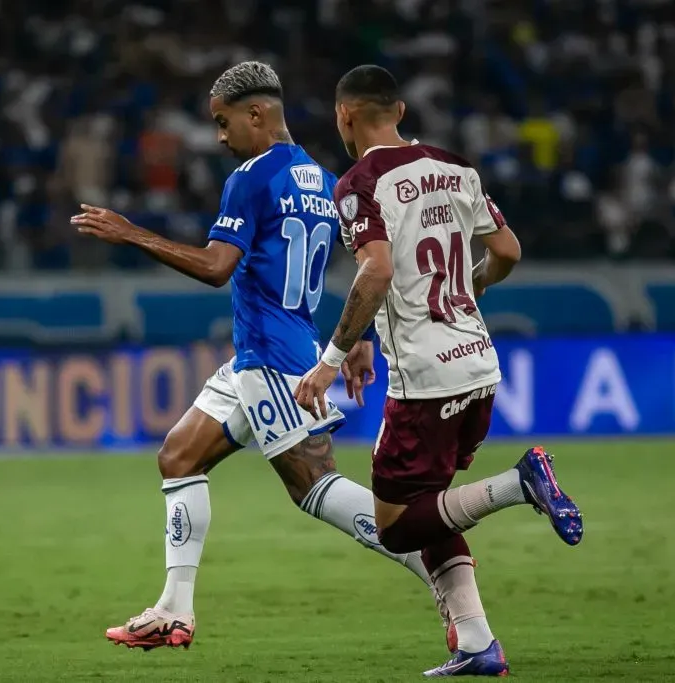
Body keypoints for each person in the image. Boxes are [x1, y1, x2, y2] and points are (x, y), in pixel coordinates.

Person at [71, 61, 442, 651]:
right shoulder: (320, 177)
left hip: (272, 354)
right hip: (270, 347)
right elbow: (350, 262)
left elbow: (219, 268)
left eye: (223, 123)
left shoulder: (251, 176)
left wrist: (131, 233)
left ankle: (435, 564)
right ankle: (173, 609)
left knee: (315, 487)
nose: (220, 137)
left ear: (257, 114)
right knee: (179, 456)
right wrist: (359, 338)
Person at [294, 65, 584, 678]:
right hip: (478, 366)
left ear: (344, 116)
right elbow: (507, 251)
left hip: (426, 382)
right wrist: (462, 292)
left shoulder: (358, 183)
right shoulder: (458, 169)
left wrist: (329, 360)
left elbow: (374, 272)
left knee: (396, 528)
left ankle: (521, 483)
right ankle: (478, 645)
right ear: (399, 111)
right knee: (432, 508)